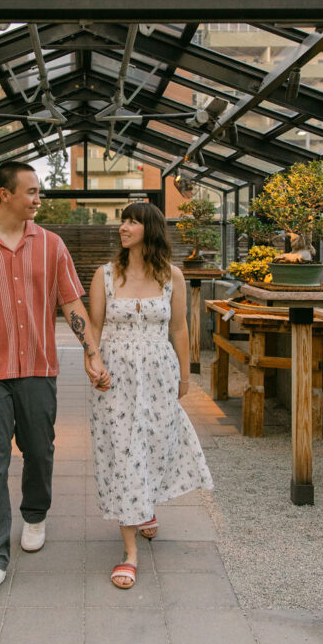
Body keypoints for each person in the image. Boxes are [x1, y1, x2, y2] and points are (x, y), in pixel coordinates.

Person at [0, 161, 110, 605]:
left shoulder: (52, 246)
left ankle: (34, 515)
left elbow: (71, 302)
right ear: (5, 194)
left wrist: (92, 352)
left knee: (39, 449)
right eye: (32, 192)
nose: (39, 199)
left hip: (38, 368)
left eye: (39, 192)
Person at [88, 202, 213, 589]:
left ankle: (145, 508)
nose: (122, 227)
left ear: (150, 230)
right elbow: (93, 328)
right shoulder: (105, 276)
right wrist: (93, 366)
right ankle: (130, 553)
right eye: (123, 220)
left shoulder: (172, 276)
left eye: (131, 222)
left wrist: (186, 377)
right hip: (116, 380)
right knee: (124, 453)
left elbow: (179, 330)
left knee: (155, 445)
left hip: (159, 376)